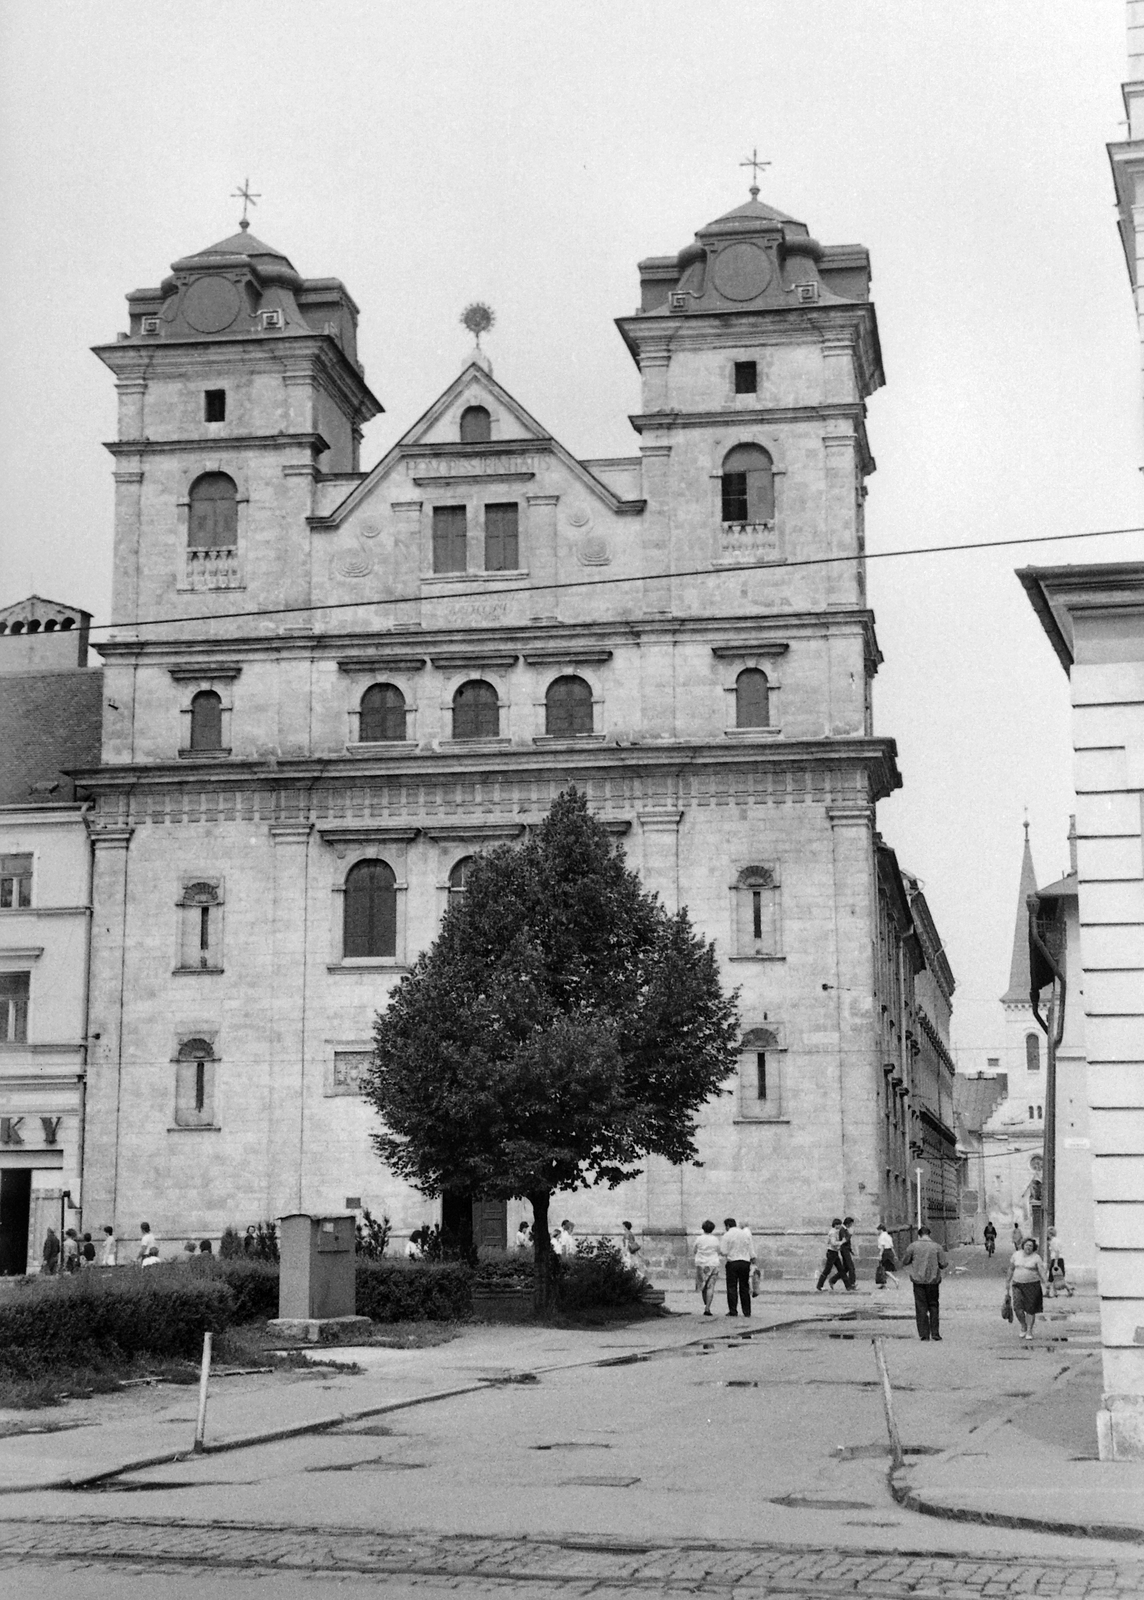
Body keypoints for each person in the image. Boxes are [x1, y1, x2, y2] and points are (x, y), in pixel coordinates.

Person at [900, 1225, 949, 1342]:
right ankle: (935, 1333)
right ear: (929, 1234)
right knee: (933, 1305)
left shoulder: (913, 1246)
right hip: (933, 1281)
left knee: (921, 1306)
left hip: (918, 1281)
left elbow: (905, 1261)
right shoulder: (937, 1247)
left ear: (919, 1235)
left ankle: (924, 1334)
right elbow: (943, 1263)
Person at [1006, 1236, 1049, 1341]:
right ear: (1023, 1245)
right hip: (1017, 1284)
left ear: (1033, 1247)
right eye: (1027, 1245)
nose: (1028, 1247)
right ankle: (1023, 1325)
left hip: (1032, 1285)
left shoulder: (1036, 1258)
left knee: (1030, 1309)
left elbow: (1041, 1271)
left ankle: (1029, 1330)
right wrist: (1007, 1281)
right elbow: (1011, 1269)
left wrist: (1046, 1282)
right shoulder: (1016, 1255)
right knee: (1017, 1308)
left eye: (1031, 1245)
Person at [719, 1216, 755, 1317]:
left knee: (732, 1287)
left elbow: (724, 1251)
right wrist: (753, 1259)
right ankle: (747, 1311)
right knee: (744, 1287)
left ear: (727, 1226)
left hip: (733, 1262)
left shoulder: (727, 1235)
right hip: (745, 1262)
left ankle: (733, 1310)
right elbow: (751, 1249)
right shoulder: (745, 1234)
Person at [694, 1220, 720, 1316]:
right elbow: (718, 1250)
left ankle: (705, 1302)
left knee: (702, 1285)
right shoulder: (715, 1239)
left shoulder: (699, 1239)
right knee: (711, 1286)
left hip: (701, 1264)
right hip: (713, 1263)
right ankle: (707, 1307)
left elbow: (694, 1250)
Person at [815, 1219, 846, 1292]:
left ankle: (848, 1286)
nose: (840, 1226)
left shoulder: (834, 1232)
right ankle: (819, 1285)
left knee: (841, 1269)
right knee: (827, 1270)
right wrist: (841, 1242)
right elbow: (833, 1243)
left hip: (834, 1252)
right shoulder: (833, 1232)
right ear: (836, 1225)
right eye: (839, 1224)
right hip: (832, 1252)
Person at [1046, 1228, 1074, 1298]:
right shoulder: (1056, 1240)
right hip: (1059, 1259)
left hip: (1056, 1259)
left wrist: (1055, 1263)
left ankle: (1052, 1292)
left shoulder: (1054, 1241)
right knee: (1057, 1277)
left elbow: (1057, 1251)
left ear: (1050, 1234)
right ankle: (1054, 1292)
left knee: (1054, 1276)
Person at [874, 1223, 899, 1289]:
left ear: (881, 1230)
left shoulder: (882, 1236)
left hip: (885, 1252)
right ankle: (883, 1283)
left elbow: (882, 1246)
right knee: (886, 1268)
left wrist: (880, 1254)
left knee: (885, 1269)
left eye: (878, 1230)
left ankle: (895, 1279)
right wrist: (895, 1255)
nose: (878, 1231)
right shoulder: (888, 1236)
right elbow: (891, 1246)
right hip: (890, 1252)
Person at [839, 1216, 858, 1290]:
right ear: (848, 1224)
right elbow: (845, 1240)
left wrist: (851, 1250)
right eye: (851, 1224)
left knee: (846, 1268)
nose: (851, 1226)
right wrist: (850, 1234)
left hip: (846, 1250)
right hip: (844, 1250)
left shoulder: (844, 1229)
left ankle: (833, 1280)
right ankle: (851, 1283)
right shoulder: (842, 1230)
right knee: (851, 1267)